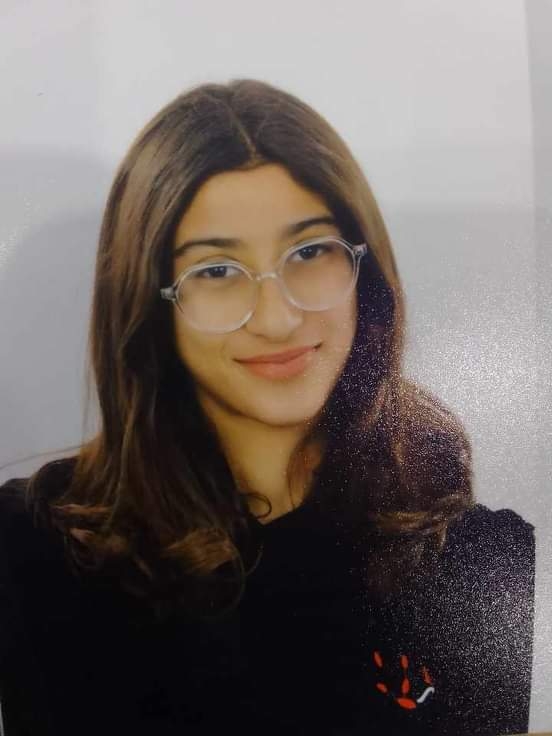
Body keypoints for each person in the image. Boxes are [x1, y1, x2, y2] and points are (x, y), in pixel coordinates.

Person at [0, 79, 534, 736]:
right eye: (216, 271)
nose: (278, 318)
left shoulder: (488, 562)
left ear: (363, 273)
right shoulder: (30, 555)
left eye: (309, 252)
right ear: (149, 302)